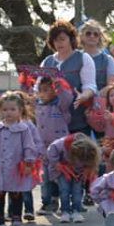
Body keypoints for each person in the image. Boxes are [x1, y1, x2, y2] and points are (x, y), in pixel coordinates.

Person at [0, 93, 38, 226]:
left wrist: (28, 162)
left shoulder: (24, 129)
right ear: (0, 110)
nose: (9, 112)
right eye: (5, 109)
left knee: (16, 192)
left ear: (20, 110)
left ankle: (16, 217)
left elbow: (29, 146)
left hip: (16, 167)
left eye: (12, 109)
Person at [40, 20, 97, 134]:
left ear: (71, 39)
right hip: (52, 125)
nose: (59, 43)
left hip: (79, 123)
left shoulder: (84, 58)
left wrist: (84, 96)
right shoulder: (47, 62)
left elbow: (90, 86)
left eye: (62, 39)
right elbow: (39, 89)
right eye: (55, 40)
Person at [33, 76, 72, 214]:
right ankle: (47, 203)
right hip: (43, 148)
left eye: (46, 90)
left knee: (60, 177)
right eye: (40, 90)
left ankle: (65, 203)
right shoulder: (37, 105)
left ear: (54, 91)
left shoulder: (60, 105)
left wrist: (60, 86)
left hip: (60, 149)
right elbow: (26, 97)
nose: (42, 93)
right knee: (45, 178)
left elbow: (67, 98)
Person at [46, 132, 101, 224]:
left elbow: (93, 162)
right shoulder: (60, 144)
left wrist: (86, 170)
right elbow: (51, 151)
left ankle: (76, 211)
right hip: (63, 170)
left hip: (80, 171)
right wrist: (57, 164)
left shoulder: (90, 149)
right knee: (64, 189)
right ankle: (65, 211)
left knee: (77, 190)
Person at [79, 20, 114, 90]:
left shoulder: (108, 60)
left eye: (96, 34)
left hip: (100, 99)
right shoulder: (74, 57)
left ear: (99, 38)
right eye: (88, 33)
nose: (92, 36)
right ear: (82, 36)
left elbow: (112, 86)